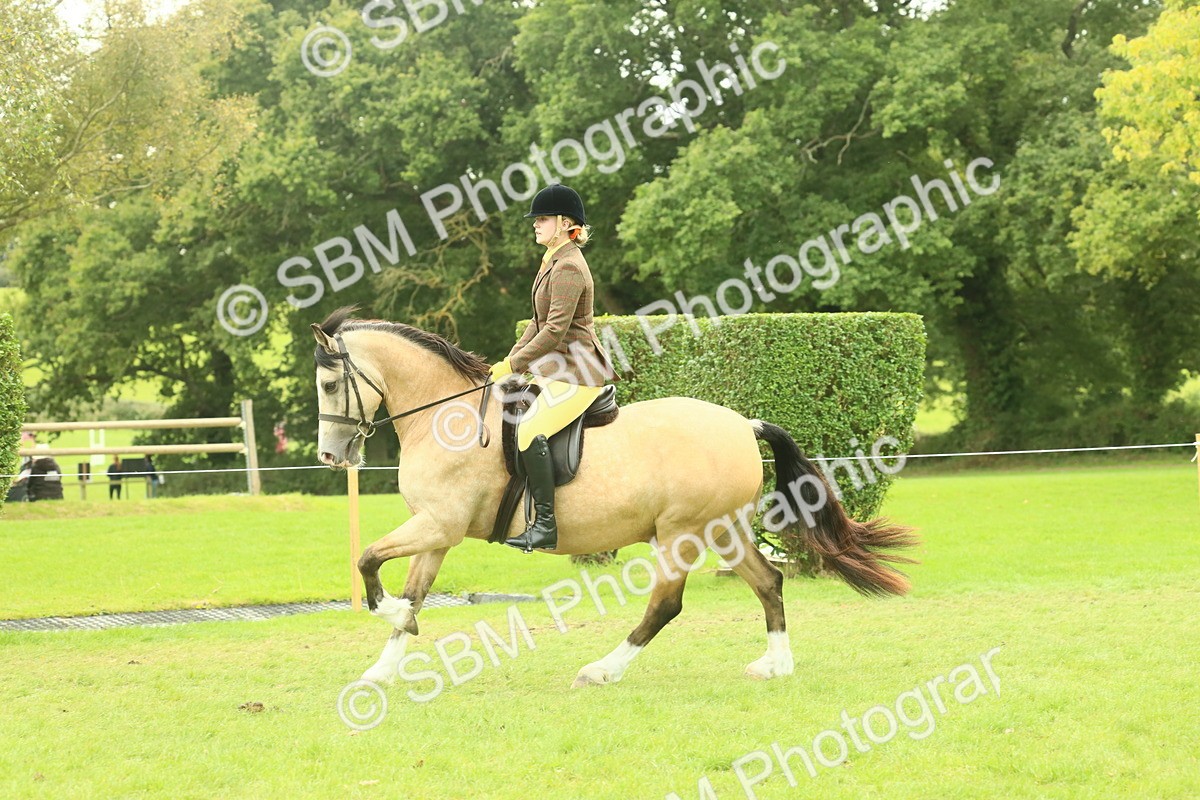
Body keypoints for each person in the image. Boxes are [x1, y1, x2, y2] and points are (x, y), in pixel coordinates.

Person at [489, 184, 618, 553]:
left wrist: (514, 364)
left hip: (578, 373)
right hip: (557, 370)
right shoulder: (552, 262)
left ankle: (545, 525)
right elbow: (536, 321)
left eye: (542, 219)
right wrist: (508, 362)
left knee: (529, 431)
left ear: (564, 223)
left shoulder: (570, 267)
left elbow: (555, 330)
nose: (535, 225)